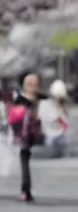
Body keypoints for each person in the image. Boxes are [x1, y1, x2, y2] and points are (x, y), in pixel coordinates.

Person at [11, 73, 43, 202]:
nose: (34, 87)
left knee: (25, 159)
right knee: (25, 159)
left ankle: (26, 190)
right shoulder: (25, 100)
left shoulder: (28, 99)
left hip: (27, 134)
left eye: (35, 84)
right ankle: (26, 190)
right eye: (32, 84)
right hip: (25, 134)